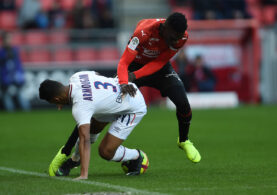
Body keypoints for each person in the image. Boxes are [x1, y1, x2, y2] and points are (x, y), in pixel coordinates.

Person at [48, 12, 201, 177]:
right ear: (165, 28)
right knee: (96, 111)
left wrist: (136, 76)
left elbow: (159, 62)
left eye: (176, 38)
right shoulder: (143, 32)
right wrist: (125, 81)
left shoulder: (181, 37)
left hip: (159, 69)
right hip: (132, 68)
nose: (174, 41)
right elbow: (123, 63)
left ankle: (183, 140)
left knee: (183, 103)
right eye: (171, 37)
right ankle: (72, 157)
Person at [39, 71, 147, 179]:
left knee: (105, 151)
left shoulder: (80, 106)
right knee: (93, 127)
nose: (58, 106)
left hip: (133, 105)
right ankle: (75, 160)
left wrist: (83, 174)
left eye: (56, 103)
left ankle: (137, 156)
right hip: (124, 90)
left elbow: (85, 140)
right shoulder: (77, 76)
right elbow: (98, 74)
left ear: (57, 99)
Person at [0, 32, 30, 111]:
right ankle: (10, 114)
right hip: (5, 79)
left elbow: (18, 66)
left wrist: (20, 77)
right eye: (7, 39)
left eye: (10, 39)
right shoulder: (1, 52)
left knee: (21, 96)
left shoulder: (15, 50)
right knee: (7, 97)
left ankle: (27, 114)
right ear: (3, 40)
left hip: (16, 78)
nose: (9, 41)